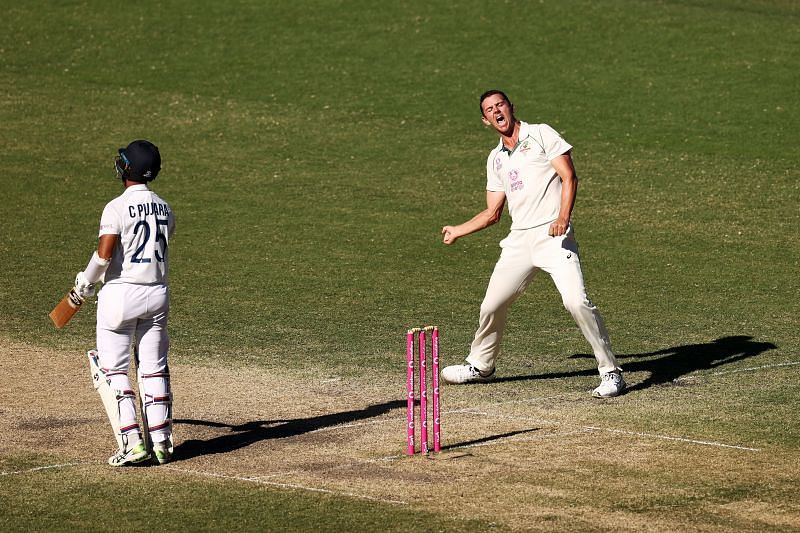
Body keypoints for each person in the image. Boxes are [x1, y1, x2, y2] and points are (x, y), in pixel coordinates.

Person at [439, 90, 625, 398]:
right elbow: (492, 213)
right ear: (485, 121)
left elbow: (569, 176)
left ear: (511, 107)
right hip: (519, 239)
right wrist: (459, 230)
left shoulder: (540, 134)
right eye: (489, 109)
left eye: (500, 104)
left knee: (575, 301)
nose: (496, 111)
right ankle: (481, 365)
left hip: (554, 235)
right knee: (492, 305)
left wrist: (563, 217)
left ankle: (611, 372)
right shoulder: (496, 159)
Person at [73, 139, 176, 465]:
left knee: (114, 369)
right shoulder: (166, 208)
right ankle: (161, 442)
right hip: (157, 295)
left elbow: (104, 256)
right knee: (153, 369)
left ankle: (133, 442)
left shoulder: (116, 208)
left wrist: (85, 282)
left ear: (126, 168)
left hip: (120, 295)